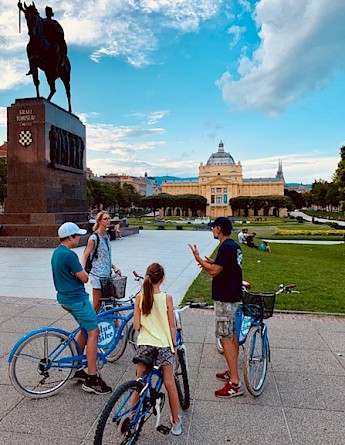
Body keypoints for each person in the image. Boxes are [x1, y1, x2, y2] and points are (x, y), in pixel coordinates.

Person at [51, 222, 111, 394]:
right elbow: (84, 278)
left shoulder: (56, 253)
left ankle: (77, 367)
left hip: (64, 297)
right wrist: (81, 274)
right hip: (77, 299)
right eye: (77, 235)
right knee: (94, 332)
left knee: (85, 328)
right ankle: (92, 378)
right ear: (70, 237)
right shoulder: (69, 255)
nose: (79, 238)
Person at [189, 217, 244, 398]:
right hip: (233, 296)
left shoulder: (226, 247)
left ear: (219, 229)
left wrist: (198, 258)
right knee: (232, 335)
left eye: (213, 228)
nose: (212, 230)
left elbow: (214, 271)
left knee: (226, 337)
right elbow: (225, 267)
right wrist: (212, 261)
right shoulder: (233, 246)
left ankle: (234, 383)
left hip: (225, 299)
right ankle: (232, 370)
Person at [133, 263, 182, 435]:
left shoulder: (140, 298)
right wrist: (174, 345)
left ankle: (133, 418)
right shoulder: (167, 298)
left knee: (140, 382)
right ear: (162, 279)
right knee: (169, 382)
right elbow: (172, 326)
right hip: (163, 345)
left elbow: (136, 326)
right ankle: (176, 422)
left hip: (145, 344)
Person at [81, 211, 121, 313]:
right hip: (97, 275)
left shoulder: (107, 236)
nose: (108, 221)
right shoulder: (94, 238)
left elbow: (105, 256)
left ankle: (107, 325)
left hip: (107, 275)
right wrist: (82, 271)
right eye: (105, 219)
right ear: (99, 221)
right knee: (97, 304)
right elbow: (85, 255)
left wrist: (114, 267)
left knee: (109, 303)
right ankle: (87, 328)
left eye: (109, 218)